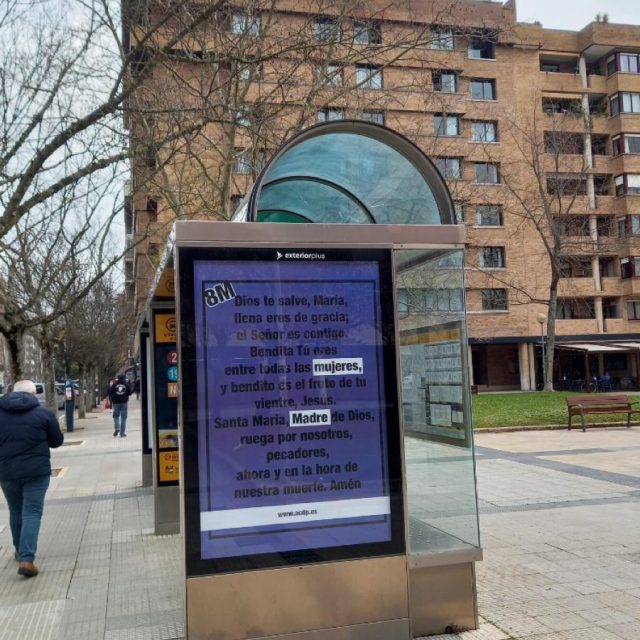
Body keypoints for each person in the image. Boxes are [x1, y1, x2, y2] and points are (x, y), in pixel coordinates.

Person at [0, 379, 64, 578]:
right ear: (34, 393)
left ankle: (19, 550)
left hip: (7, 471)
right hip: (36, 471)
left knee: (15, 510)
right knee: (32, 512)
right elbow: (56, 441)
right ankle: (27, 559)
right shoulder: (43, 413)